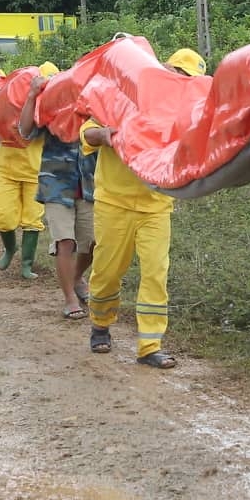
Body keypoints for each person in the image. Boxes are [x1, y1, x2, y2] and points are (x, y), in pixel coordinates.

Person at [83, 47, 205, 368]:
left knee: (155, 274)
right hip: (114, 201)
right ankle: (100, 324)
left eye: (189, 81)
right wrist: (103, 135)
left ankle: (150, 345)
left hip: (156, 206)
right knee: (108, 271)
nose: (182, 84)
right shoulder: (125, 96)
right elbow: (86, 133)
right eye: (179, 76)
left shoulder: (185, 116)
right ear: (165, 70)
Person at [21, 63, 97, 318]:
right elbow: (25, 131)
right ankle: (70, 299)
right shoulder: (50, 106)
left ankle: (76, 278)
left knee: (92, 243)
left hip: (89, 183)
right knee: (65, 242)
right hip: (55, 182)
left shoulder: (93, 102)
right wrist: (32, 96)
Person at [0, 64, 51, 278]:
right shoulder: (8, 102)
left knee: (33, 220)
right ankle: (10, 248)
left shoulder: (44, 109)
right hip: (7, 169)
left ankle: (26, 264)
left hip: (35, 172)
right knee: (3, 217)